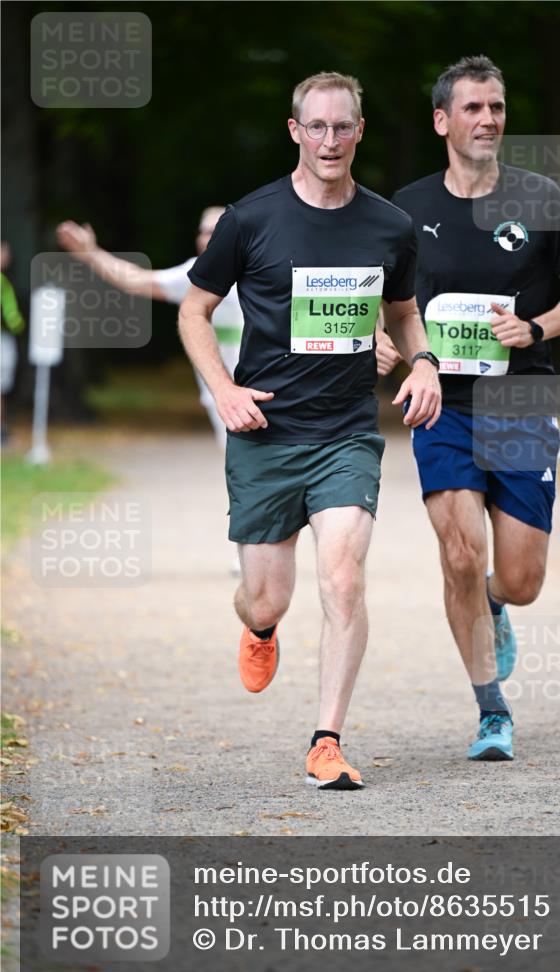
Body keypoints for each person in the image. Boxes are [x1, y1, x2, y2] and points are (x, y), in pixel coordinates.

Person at [179, 71, 441, 790]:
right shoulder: (250, 218)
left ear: (359, 131)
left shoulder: (389, 225)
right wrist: (223, 388)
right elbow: (192, 311)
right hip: (264, 430)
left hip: (346, 433)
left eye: (342, 126)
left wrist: (422, 363)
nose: (329, 140)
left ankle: (326, 739)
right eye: (315, 127)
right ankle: (260, 629)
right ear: (295, 131)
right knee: (268, 597)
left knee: (344, 579)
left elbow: (403, 311)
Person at [381, 55, 560, 762]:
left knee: (520, 580)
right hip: (441, 403)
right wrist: (387, 350)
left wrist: (535, 329)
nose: (486, 120)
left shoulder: (538, 198)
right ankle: (490, 712)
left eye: (495, 108)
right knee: (457, 552)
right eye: (472, 108)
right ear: (442, 120)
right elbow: (383, 303)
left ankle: (495, 605)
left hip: (521, 403)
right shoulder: (406, 210)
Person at [56, 207, 242, 449]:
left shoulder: (256, 271)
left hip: (262, 393)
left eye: (215, 230)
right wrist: (91, 254)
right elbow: (135, 280)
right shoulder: (197, 274)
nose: (206, 237)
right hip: (224, 397)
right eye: (202, 230)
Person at [1, 241, 26, 443]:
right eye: (4, 251)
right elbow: (12, 317)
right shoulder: (2, 282)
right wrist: (21, 327)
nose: (8, 255)